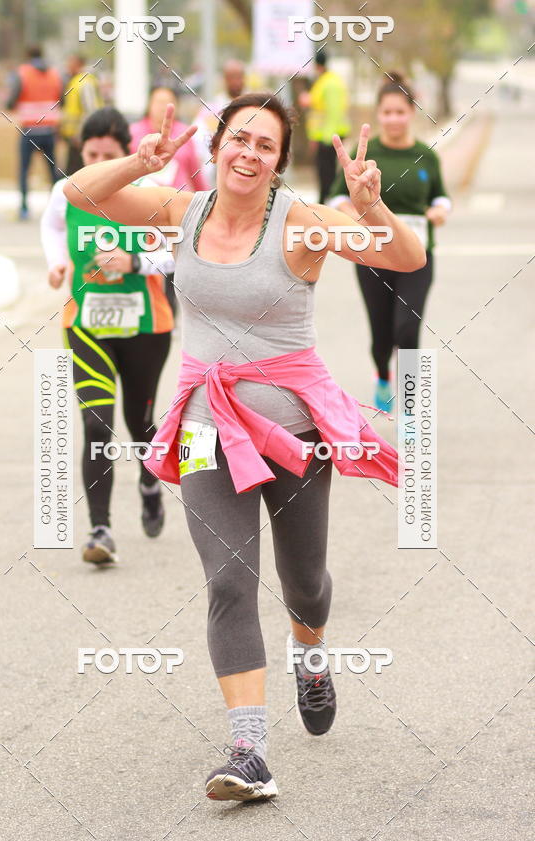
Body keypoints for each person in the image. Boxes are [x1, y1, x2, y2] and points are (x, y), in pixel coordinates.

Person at [64, 95, 425, 800]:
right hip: (205, 429)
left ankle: (311, 656)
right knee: (228, 581)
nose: (249, 154)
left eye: (265, 145)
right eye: (239, 138)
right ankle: (249, 749)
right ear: (218, 146)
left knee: (304, 582)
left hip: (295, 435)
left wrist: (370, 207)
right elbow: (79, 193)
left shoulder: (302, 224)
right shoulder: (182, 211)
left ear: (279, 162)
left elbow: (407, 257)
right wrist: (139, 162)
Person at [41, 108, 175, 563]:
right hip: (86, 325)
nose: (98, 164)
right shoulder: (66, 191)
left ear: (127, 155)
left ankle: (150, 482)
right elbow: (51, 226)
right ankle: (100, 530)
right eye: (91, 155)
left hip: (146, 326)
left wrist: (134, 262)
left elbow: (179, 252)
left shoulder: (150, 193)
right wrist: (57, 262)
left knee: (140, 424)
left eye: (108, 155)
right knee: (97, 424)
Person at [327, 72, 451, 411]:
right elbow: (337, 196)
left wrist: (441, 210)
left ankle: (412, 409)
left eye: (400, 112)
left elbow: (441, 196)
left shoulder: (426, 156)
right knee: (381, 336)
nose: (394, 119)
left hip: (416, 256)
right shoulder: (365, 155)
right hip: (373, 255)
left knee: (408, 331)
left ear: (412, 112)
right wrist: (353, 213)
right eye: (387, 112)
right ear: (378, 114)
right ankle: (382, 373)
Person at [129, 86, 210, 316]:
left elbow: (195, 172)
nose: (161, 108)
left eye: (168, 102)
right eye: (157, 102)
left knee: (174, 264)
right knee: (148, 261)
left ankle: (170, 313)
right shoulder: (134, 133)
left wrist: (208, 203)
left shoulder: (184, 134)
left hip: (177, 213)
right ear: (148, 104)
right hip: (144, 211)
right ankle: (152, 310)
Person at [7, 45, 62, 220]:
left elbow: (12, 100)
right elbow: (62, 98)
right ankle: (58, 207)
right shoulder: (54, 74)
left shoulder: (23, 73)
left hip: (29, 129)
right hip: (49, 129)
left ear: (27, 55)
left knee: (24, 170)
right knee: (52, 171)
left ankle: (24, 208)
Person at [299, 50, 350, 204]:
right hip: (324, 134)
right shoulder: (324, 80)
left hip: (330, 135)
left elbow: (333, 112)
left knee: (327, 172)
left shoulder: (330, 83)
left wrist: (328, 138)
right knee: (324, 171)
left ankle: (328, 201)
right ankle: (325, 200)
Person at [192, 59, 247, 186]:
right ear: (224, 79)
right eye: (231, 77)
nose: (236, 81)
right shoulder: (212, 109)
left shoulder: (255, 107)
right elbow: (198, 138)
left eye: (239, 77)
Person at [60, 54, 103, 176]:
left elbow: (91, 111)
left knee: (78, 173)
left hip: (81, 137)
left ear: (78, 64)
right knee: (72, 172)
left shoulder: (85, 82)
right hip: (75, 137)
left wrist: (81, 134)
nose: (67, 66)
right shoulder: (76, 80)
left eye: (70, 63)